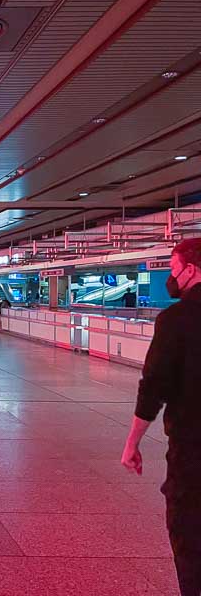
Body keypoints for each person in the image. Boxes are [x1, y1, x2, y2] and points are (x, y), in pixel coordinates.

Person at [121, 238, 201, 596]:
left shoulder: (177, 320)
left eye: (173, 270)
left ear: (191, 270)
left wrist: (132, 442)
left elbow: (154, 386)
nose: (172, 278)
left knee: (189, 535)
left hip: (193, 449)